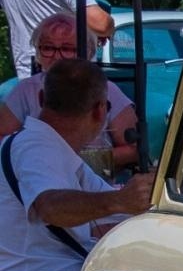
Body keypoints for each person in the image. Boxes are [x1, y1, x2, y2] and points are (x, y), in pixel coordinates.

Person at [0, 59, 152, 271]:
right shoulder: (35, 148)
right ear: (100, 110)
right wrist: (119, 200)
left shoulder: (50, 148)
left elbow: (121, 212)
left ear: (42, 99)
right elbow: (50, 207)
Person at [0, 13, 136, 175]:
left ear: (88, 51)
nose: (57, 56)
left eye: (67, 49)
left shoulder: (106, 90)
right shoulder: (26, 89)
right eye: (48, 48)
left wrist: (87, 160)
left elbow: (134, 148)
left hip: (92, 183)